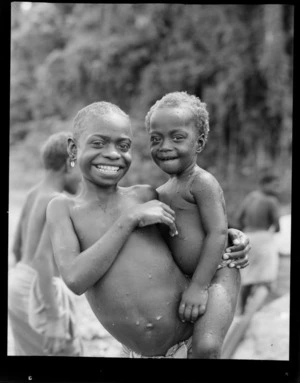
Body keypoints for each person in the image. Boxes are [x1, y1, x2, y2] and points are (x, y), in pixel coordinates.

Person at [47, 101, 250, 358]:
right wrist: (127, 221)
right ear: (73, 149)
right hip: (138, 354)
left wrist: (236, 238)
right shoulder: (63, 208)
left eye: (123, 146)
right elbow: (75, 279)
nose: (112, 154)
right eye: (98, 143)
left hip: (189, 341)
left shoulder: (145, 197)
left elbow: (193, 237)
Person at [143, 91, 242, 358]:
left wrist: (199, 286)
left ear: (198, 144)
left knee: (207, 347)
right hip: (183, 281)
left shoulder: (202, 182)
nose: (164, 145)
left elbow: (218, 232)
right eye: (156, 138)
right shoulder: (161, 192)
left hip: (218, 274)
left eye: (177, 137)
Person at [8, 131, 82, 356]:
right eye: (81, 167)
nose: (82, 177)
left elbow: (17, 248)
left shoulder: (33, 193)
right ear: (69, 164)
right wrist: (53, 316)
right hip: (39, 287)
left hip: (17, 282)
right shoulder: (58, 201)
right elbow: (43, 260)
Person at [235, 170, 281, 313]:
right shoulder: (271, 201)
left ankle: (242, 310)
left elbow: (238, 219)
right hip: (263, 237)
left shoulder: (250, 197)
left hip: (247, 236)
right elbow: (277, 226)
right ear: (264, 184)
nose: (276, 188)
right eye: (274, 185)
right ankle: (258, 308)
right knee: (266, 275)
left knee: (248, 275)